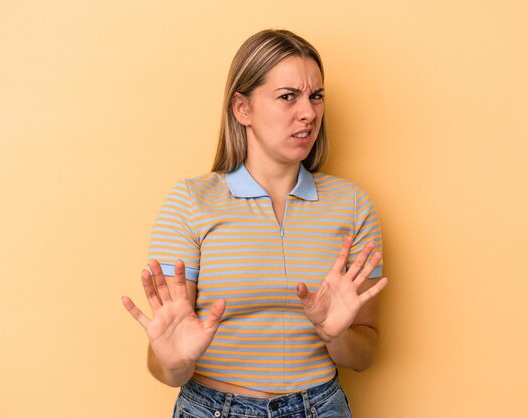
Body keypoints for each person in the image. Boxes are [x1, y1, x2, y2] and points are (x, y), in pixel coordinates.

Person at [122, 29, 388, 418]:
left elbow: (364, 355)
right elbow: (166, 366)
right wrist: (176, 361)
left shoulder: (352, 204)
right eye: (287, 97)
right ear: (241, 109)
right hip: (212, 409)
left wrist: (337, 336)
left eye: (316, 96)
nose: (309, 113)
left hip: (321, 407)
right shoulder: (190, 201)